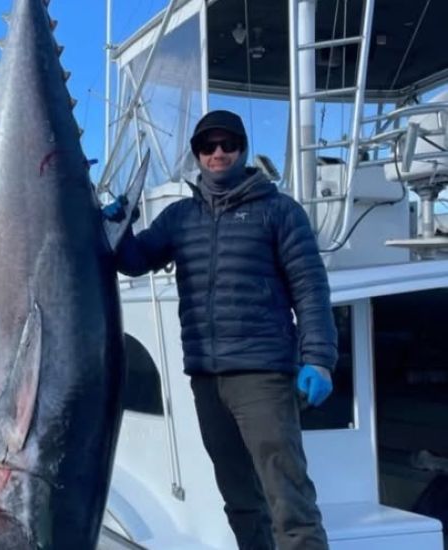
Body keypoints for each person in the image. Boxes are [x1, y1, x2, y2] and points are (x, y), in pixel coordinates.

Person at [105, 110, 337, 550]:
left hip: (262, 376)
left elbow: (310, 288)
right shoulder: (179, 217)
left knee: (288, 497)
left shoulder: (279, 211)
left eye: (227, 144)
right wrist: (121, 226)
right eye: (207, 146)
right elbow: (134, 261)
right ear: (197, 154)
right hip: (206, 379)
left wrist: (319, 360)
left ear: (242, 150)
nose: (217, 153)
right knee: (239, 498)